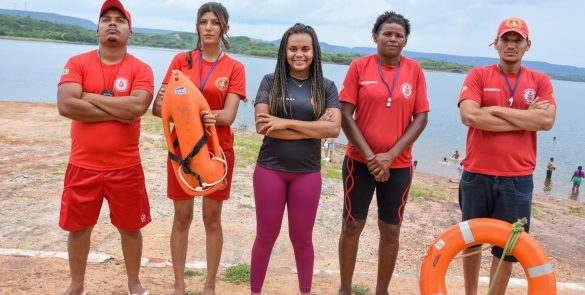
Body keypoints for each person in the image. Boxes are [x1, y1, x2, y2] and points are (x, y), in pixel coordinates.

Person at [56, 1, 153, 294]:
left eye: (119, 20)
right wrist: (120, 112)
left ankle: (134, 284)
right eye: (106, 19)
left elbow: (138, 106)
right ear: (97, 29)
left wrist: (89, 96)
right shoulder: (77, 62)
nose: (113, 24)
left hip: (125, 168)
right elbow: (66, 104)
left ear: (130, 31)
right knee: (78, 229)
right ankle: (76, 285)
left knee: (130, 228)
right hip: (82, 165)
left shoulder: (141, 68)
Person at [152, 2, 246, 294]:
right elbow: (158, 107)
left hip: (218, 152)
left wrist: (201, 113)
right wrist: (196, 114)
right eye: (203, 21)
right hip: (182, 152)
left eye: (215, 22)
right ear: (197, 26)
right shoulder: (181, 62)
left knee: (211, 219)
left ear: (225, 29)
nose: (208, 27)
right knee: (182, 217)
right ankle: (179, 285)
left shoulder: (235, 67)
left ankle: (210, 286)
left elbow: (228, 116)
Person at [458, 17, 556, 295]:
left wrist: (491, 110)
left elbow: (546, 122)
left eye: (517, 40)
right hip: (476, 174)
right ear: (496, 43)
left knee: (507, 249)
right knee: (472, 243)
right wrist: (527, 118)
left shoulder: (540, 80)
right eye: (506, 39)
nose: (511, 45)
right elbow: (469, 115)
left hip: (518, 179)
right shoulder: (478, 75)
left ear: (528, 45)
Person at [337, 11, 429, 295]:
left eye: (399, 35)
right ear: (375, 37)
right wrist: (370, 157)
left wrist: (390, 156)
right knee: (352, 225)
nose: (393, 39)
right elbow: (344, 113)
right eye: (387, 34)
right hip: (359, 162)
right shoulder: (359, 67)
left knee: (391, 230)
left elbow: (421, 117)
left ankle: (382, 291)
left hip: (398, 165)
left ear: (405, 41)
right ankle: (345, 288)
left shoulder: (414, 70)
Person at [250, 23, 341, 295]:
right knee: (265, 236)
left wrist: (282, 123)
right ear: (284, 51)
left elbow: (333, 130)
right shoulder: (270, 81)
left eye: (305, 48)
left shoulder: (326, 86)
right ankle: (255, 291)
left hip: (307, 173)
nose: (298, 54)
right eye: (293, 49)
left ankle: (305, 291)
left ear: (314, 51)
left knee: (302, 239)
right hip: (270, 170)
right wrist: (312, 128)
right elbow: (262, 126)